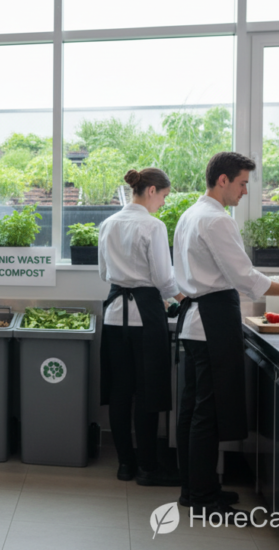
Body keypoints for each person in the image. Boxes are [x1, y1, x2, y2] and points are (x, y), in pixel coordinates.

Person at [173, 152, 279, 521]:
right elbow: (242, 275)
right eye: (243, 183)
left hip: (196, 323)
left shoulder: (190, 214)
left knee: (193, 411)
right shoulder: (215, 220)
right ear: (222, 180)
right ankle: (201, 495)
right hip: (211, 323)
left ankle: (195, 488)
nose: (246, 191)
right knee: (206, 413)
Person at [99, 168, 185, 486]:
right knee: (148, 393)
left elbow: (103, 272)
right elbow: (164, 279)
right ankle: (149, 468)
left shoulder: (108, 224)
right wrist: (183, 298)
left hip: (113, 314)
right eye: (163, 196)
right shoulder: (153, 226)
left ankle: (125, 464)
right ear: (150, 190)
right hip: (144, 318)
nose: (162, 203)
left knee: (120, 392)